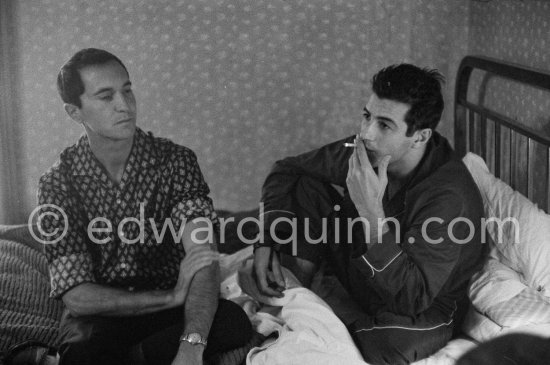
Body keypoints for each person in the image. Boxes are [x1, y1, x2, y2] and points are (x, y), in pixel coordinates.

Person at [253, 64, 486, 364]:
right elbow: (286, 168)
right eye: (367, 116)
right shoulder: (366, 148)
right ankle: (297, 301)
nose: (366, 134)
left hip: (419, 306)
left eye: (385, 125)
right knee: (305, 185)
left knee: (390, 343)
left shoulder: (448, 195)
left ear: (420, 136)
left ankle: (314, 319)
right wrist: (266, 240)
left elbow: (412, 299)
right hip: (361, 275)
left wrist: (371, 213)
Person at [37, 48, 252, 365]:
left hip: (170, 310)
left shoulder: (176, 161)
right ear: (75, 112)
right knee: (82, 353)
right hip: (103, 312)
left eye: (127, 90)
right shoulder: (57, 183)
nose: (124, 105)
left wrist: (191, 345)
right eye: (105, 96)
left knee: (234, 322)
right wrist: (170, 295)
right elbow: (79, 297)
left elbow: (202, 258)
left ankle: (134, 357)